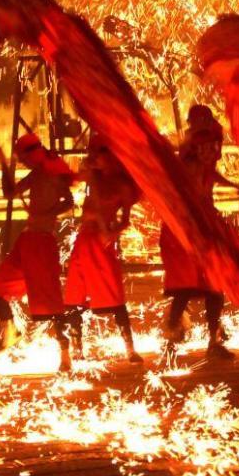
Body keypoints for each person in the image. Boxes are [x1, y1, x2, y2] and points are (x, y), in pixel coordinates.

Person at [160, 105, 239, 361]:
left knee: (215, 285)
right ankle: (170, 342)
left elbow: (211, 175)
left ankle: (213, 341)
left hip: (205, 225)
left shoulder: (201, 163)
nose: (213, 152)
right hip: (186, 230)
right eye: (208, 147)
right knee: (185, 288)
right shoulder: (186, 165)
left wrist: (235, 188)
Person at [0, 133, 75, 371]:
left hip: (43, 244)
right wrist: (4, 165)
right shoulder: (36, 174)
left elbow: (69, 201)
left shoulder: (53, 173)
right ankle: (10, 332)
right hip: (26, 242)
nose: (22, 162)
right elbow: (9, 193)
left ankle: (65, 354)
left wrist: (49, 212)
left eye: (23, 158)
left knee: (52, 303)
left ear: (33, 154)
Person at [63, 136, 142, 363]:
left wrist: (113, 233)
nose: (95, 157)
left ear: (113, 155)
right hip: (83, 239)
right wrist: (81, 171)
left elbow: (125, 220)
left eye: (99, 153)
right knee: (74, 294)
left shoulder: (122, 185)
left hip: (101, 241)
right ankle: (77, 350)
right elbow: (69, 180)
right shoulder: (93, 176)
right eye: (93, 153)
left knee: (113, 293)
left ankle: (130, 349)